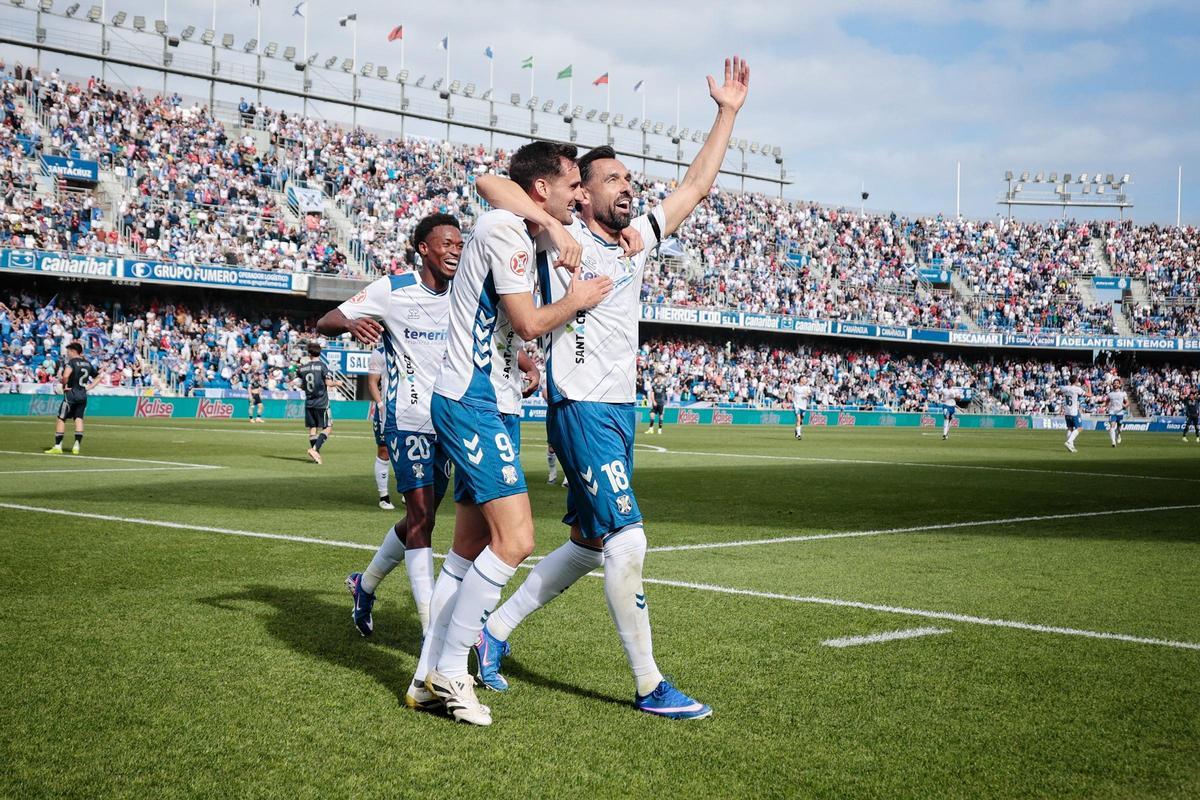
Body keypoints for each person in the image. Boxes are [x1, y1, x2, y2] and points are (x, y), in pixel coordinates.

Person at [471, 55, 750, 721]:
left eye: (629, 177)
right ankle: (651, 685)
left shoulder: (636, 241)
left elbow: (695, 188)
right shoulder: (562, 238)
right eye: (612, 179)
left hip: (618, 409)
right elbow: (488, 181)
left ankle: (492, 631)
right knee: (629, 542)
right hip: (581, 407)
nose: (627, 187)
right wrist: (547, 225)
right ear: (580, 193)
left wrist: (727, 113)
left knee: (591, 544)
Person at [412, 141, 612, 726]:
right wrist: (575, 302)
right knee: (517, 540)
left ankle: (428, 674)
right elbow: (526, 318)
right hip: (471, 400)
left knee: (469, 549)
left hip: (494, 402)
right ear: (544, 190)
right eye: (573, 184)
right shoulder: (506, 226)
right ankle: (453, 668)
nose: (580, 194)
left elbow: (504, 187)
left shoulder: (530, 227)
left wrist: (553, 221)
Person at [45, 342, 101, 455]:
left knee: (61, 418)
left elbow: (65, 376)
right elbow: (98, 376)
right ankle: (76, 446)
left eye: (68, 352)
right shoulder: (87, 364)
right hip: (82, 394)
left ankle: (58, 446)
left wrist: (64, 385)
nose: (67, 354)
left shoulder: (71, 363)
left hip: (71, 394)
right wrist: (90, 387)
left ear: (72, 351)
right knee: (79, 418)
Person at [297, 341, 340, 464]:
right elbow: (329, 383)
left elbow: (300, 381)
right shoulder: (322, 366)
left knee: (312, 429)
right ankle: (315, 449)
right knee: (328, 427)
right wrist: (337, 383)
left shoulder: (303, 368)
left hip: (309, 402)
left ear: (309, 353)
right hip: (321, 401)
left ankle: (317, 456)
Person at [365, 345, 396, 510]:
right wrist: (381, 404)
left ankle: (410, 491)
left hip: (409, 409)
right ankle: (384, 496)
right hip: (386, 409)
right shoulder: (379, 353)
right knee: (384, 450)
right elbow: (372, 383)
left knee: (407, 451)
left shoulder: (411, 346)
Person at [1061, 375, 1086, 453]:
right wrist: (1089, 386)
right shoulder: (1077, 389)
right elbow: (1089, 394)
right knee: (1080, 428)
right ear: (1076, 381)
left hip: (1067, 411)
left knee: (1070, 428)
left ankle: (1071, 446)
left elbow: (1059, 392)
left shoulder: (1064, 388)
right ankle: (1069, 442)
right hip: (1074, 412)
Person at [1106, 378, 1128, 447]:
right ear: (1113, 384)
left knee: (1119, 429)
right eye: (1114, 383)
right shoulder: (1110, 394)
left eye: (1117, 383)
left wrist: (1125, 405)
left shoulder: (1123, 393)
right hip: (1112, 412)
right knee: (1112, 426)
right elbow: (1107, 401)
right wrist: (1106, 406)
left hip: (1120, 412)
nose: (1115, 384)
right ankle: (1113, 442)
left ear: (1119, 384)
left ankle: (1118, 435)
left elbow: (1127, 402)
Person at [792, 376, 813, 440]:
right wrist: (792, 400)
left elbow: (810, 393)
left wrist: (807, 395)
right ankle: (799, 434)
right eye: (804, 379)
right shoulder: (795, 386)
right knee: (798, 419)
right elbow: (791, 393)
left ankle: (797, 430)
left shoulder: (806, 387)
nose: (805, 380)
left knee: (801, 421)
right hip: (796, 405)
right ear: (800, 379)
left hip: (803, 406)